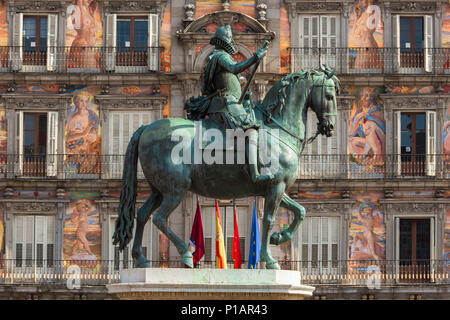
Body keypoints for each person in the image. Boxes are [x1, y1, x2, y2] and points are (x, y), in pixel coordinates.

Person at [187, 25, 271, 183]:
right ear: (226, 40)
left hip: (227, 102)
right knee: (251, 129)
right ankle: (254, 174)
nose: (233, 41)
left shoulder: (217, 56)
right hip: (225, 104)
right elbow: (234, 68)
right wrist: (255, 57)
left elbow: (228, 82)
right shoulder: (221, 56)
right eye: (231, 38)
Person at [348, 87, 385, 166]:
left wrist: (367, 116)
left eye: (367, 96)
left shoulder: (377, 111)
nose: (363, 98)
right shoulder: (358, 112)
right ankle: (362, 160)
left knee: (369, 125)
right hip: (368, 145)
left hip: (381, 142)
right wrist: (356, 119)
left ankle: (378, 157)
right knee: (350, 141)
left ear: (372, 98)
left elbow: (384, 128)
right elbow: (350, 133)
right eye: (362, 95)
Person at [65, 91, 100, 173]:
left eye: (86, 101)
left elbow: (94, 135)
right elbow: (68, 138)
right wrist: (84, 133)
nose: (84, 103)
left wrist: (89, 135)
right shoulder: (73, 118)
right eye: (81, 101)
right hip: (74, 153)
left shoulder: (93, 115)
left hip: (88, 152)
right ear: (76, 102)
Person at [67, 0, 99, 69]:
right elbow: (80, 25)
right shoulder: (77, 9)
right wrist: (80, 3)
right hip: (82, 47)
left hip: (86, 47)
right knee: (91, 73)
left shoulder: (90, 10)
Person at [352, 0, 380, 69]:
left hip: (369, 49)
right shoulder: (363, 13)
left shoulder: (373, 8)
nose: (360, 1)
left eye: (362, 0)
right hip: (362, 50)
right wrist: (357, 17)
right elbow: (353, 33)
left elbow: (370, 28)